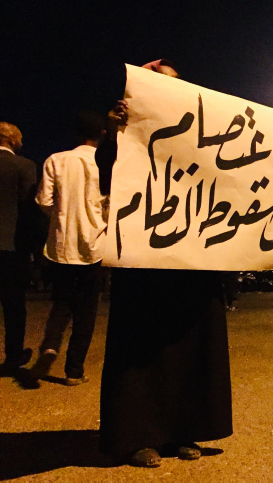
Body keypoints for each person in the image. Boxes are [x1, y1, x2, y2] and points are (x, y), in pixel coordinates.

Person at [95, 60, 232, 468]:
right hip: (146, 261)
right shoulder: (126, 129)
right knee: (141, 347)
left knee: (190, 343)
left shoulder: (207, 133)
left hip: (194, 260)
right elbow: (110, 176)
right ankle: (138, 435)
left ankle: (184, 430)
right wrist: (114, 132)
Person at [28, 111, 107, 386]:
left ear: (76, 133)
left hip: (61, 245)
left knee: (62, 302)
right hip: (95, 245)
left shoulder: (56, 160)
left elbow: (43, 200)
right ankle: (74, 371)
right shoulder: (106, 164)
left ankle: (50, 345)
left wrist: (60, 217)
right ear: (102, 135)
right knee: (87, 310)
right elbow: (112, 203)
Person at [0, 122, 37, 370]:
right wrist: (32, 247)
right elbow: (28, 209)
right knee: (13, 305)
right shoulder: (24, 166)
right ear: (12, 140)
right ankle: (13, 356)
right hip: (11, 246)